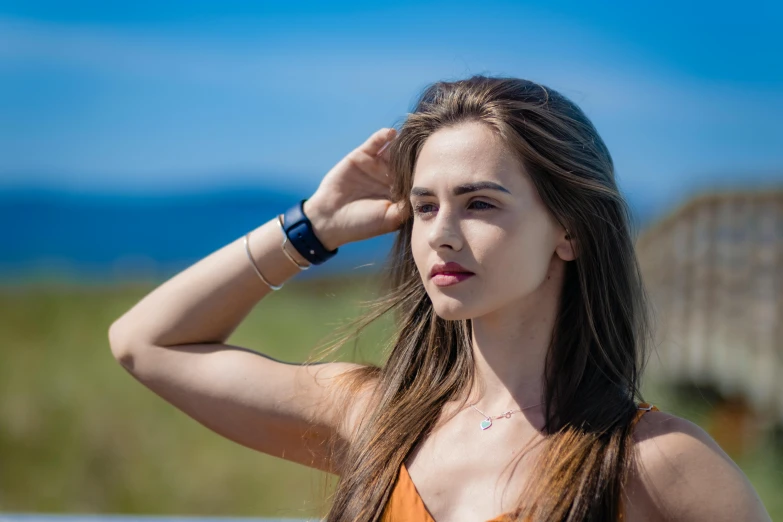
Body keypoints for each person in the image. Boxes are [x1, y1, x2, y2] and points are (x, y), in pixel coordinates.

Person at [108, 75, 771, 522]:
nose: (441, 235)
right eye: (423, 207)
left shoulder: (654, 460)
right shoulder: (374, 418)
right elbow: (145, 343)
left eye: (479, 203)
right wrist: (310, 227)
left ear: (567, 230)